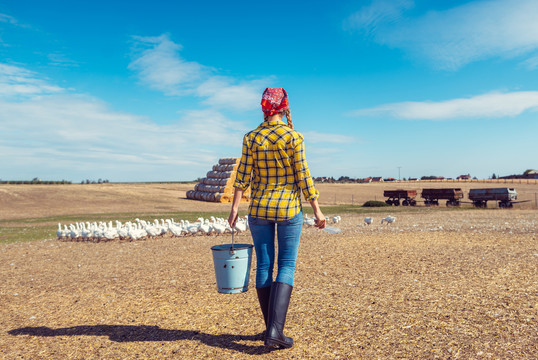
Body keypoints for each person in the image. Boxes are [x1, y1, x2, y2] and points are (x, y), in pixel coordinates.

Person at [228, 87, 326, 349]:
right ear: (284, 107)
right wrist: (316, 209)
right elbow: (303, 176)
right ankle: (274, 331)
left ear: (263, 108)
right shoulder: (294, 137)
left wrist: (235, 207)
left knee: (263, 266)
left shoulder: (251, 137)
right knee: (286, 265)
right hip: (288, 210)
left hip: (258, 210)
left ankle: (271, 329)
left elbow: (242, 176)